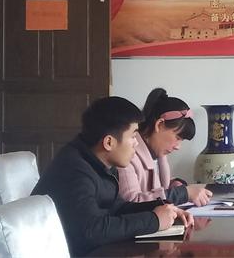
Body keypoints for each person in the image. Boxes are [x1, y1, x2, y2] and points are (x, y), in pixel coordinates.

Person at [32, 96, 193, 256]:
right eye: (133, 136)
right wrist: (154, 220)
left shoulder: (99, 162)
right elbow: (92, 230)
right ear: (109, 142)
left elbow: (117, 207)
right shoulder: (74, 169)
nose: (136, 143)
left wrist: (163, 208)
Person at [118, 88, 212, 206]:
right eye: (177, 137)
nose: (178, 147)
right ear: (159, 124)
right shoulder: (126, 155)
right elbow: (131, 202)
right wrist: (183, 193)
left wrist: (175, 185)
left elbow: (159, 187)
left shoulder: (157, 154)